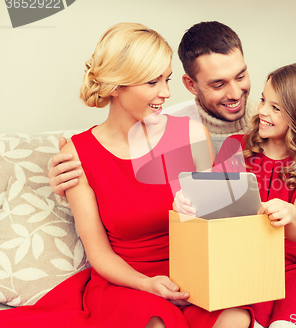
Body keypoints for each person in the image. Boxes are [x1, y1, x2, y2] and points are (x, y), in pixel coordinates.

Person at [48, 21, 296, 328]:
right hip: (142, 278)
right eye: (218, 83)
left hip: (270, 261)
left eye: (241, 77)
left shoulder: (270, 113)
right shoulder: (81, 154)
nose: (237, 93)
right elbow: (101, 248)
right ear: (192, 85)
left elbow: (227, 215)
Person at [0, 22, 253, 328]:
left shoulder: (192, 134)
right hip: (129, 283)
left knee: (237, 318)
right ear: (117, 86)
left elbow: (216, 224)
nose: (166, 92)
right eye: (152, 82)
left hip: (194, 278)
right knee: (158, 323)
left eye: (167, 79)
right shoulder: (77, 154)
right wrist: (147, 284)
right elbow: (99, 253)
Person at [176, 63, 296, 328]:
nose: (261, 111)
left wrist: (290, 213)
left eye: (275, 108)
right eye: (263, 100)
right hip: (248, 257)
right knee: (251, 319)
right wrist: (186, 201)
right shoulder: (237, 146)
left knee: (285, 323)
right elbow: (214, 202)